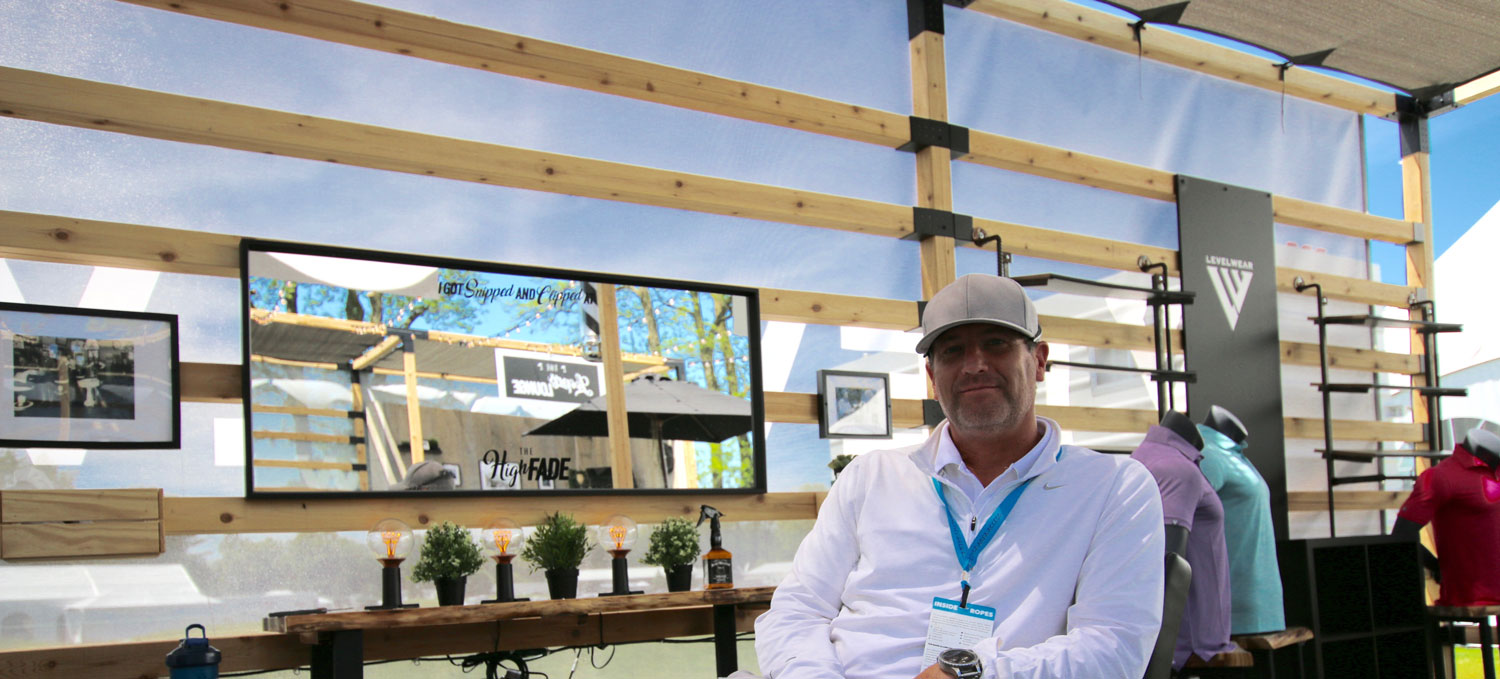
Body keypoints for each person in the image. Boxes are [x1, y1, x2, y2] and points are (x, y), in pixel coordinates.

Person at [756, 274, 1165, 679]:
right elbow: (798, 609)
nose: (974, 365)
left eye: (996, 343)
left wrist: (971, 673)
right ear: (933, 379)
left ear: (1039, 361)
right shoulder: (871, 476)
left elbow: (1113, 648)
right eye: (952, 351)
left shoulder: (1112, 487)